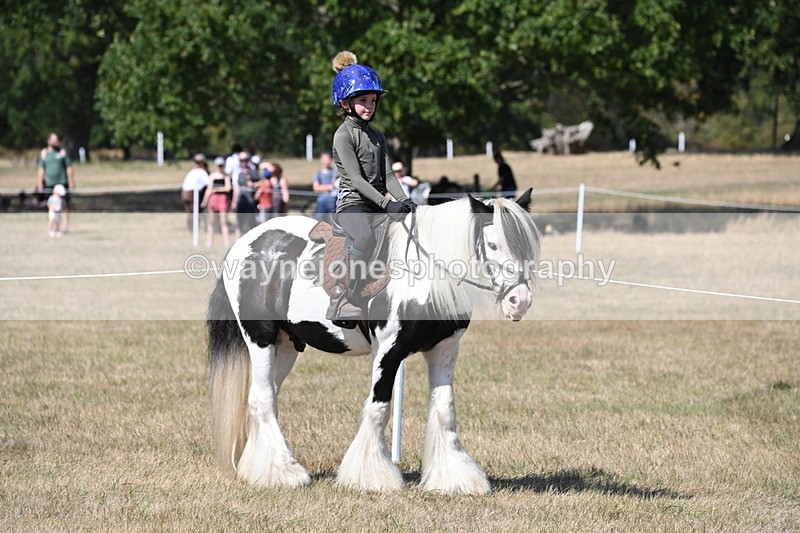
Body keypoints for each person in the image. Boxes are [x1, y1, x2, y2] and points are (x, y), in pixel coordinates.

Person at [327, 50, 415, 325]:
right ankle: (343, 295)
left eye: (373, 100)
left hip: (378, 202)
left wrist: (406, 201)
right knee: (364, 238)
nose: (369, 106)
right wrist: (387, 204)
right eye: (362, 100)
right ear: (345, 102)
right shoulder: (343, 135)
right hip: (353, 205)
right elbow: (355, 179)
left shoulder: (378, 136)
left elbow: (388, 175)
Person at [37, 133, 76, 233]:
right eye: (54, 140)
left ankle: (65, 227)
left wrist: (72, 181)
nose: (56, 142)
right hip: (50, 184)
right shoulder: (44, 154)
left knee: (65, 205)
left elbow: (69, 167)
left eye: (57, 139)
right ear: (48, 141)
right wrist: (40, 183)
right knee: (52, 206)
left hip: (62, 183)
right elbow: (41, 169)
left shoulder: (62, 153)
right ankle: (53, 228)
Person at [200, 157, 232, 247]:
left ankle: (226, 242)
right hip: (213, 199)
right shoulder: (212, 176)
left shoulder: (226, 176)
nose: (220, 167)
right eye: (219, 165)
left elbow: (228, 188)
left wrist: (217, 189)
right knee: (211, 221)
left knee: (223, 221)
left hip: (223, 199)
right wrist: (204, 200)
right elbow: (209, 189)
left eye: (221, 165)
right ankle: (209, 241)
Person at [232, 152, 260, 237]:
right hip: (241, 200)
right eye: (241, 161)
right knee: (240, 221)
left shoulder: (253, 171)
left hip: (251, 201)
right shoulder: (237, 172)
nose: (243, 162)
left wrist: (254, 184)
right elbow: (236, 188)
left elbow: (262, 183)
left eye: (245, 160)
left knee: (251, 221)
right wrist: (234, 201)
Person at [181, 153, 210, 231]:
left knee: (190, 212)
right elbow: (209, 183)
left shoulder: (193, 171)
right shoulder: (201, 171)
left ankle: (192, 228)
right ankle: (195, 228)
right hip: (192, 193)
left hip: (184, 193)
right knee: (195, 211)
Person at [312, 152, 338, 220]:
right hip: (321, 200)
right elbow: (316, 188)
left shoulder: (335, 172)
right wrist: (329, 187)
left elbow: (337, 184)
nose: (326, 161)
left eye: (328, 159)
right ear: (321, 160)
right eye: (324, 159)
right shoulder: (318, 173)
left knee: (332, 221)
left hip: (333, 200)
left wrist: (323, 187)